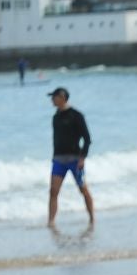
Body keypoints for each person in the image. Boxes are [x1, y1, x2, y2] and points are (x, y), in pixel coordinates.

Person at [47, 87, 94, 226]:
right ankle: (51, 222)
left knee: (83, 190)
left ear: (62, 98)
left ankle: (92, 219)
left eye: (54, 97)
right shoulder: (55, 117)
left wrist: (82, 158)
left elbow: (87, 139)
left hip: (75, 159)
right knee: (53, 191)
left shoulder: (76, 115)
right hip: (58, 160)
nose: (52, 100)